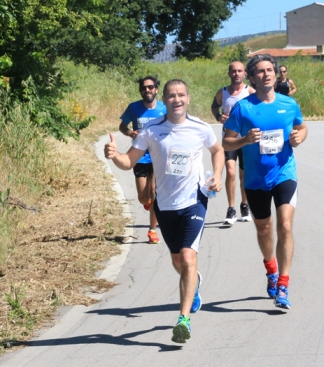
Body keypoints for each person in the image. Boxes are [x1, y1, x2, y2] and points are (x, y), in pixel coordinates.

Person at [105, 79, 223, 344]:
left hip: (194, 201)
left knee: (188, 257)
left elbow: (217, 150)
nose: (176, 99)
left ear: (188, 99)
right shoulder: (152, 130)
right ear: (165, 100)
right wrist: (114, 155)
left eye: (181, 95)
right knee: (178, 263)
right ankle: (194, 283)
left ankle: (183, 320)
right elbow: (128, 162)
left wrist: (216, 175)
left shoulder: (200, 128)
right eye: (171, 95)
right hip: (165, 206)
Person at [223, 55, 308, 310]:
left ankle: (283, 284)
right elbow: (226, 142)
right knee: (264, 229)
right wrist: (244, 141)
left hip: (285, 173)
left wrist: (299, 137)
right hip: (255, 179)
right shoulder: (243, 108)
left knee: (284, 225)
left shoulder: (289, 103)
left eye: (270, 70)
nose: (267, 74)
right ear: (252, 77)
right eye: (260, 71)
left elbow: (302, 127)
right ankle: (270, 268)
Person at [119, 76, 167, 244]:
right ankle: (148, 204)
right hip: (140, 156)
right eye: (144, 88)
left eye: (150, 87)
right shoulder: (133, 108)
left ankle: (152, 230)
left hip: (158, 156)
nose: (147, 90)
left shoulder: (164, 108)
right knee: (142, 197)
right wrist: (130, 133)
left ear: (156, 89)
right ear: (141, 91)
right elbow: (122, 127)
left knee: (154, 193)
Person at [211, 61, 255, 225]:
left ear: (244, 74)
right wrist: (218, 117)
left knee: (243, 176)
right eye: (233, 71)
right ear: (229, 74)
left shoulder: (250, 92)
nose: (236, 74)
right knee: (230, 172)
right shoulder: (222, 93)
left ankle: (244, 205)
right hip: (228, 141)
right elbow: (214, 107)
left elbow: (258, 111)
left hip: (245, 141)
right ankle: (231, 209)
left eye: (239, 71)